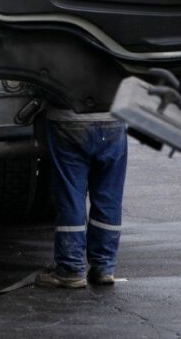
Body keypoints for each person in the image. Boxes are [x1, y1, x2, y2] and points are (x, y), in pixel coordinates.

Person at [35, 106, 128, 288]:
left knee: (71, 196)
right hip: (113, 121)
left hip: (68, 121)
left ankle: (71, 269)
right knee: (109, 197)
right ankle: (104, 267)